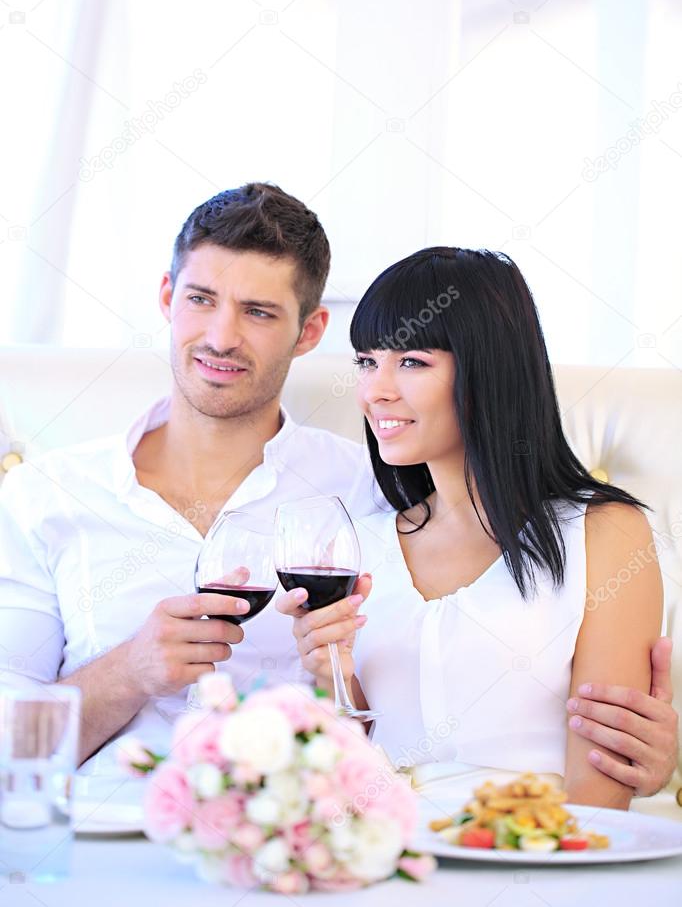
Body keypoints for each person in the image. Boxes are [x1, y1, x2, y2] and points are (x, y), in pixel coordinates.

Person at [0, 201, 676, 800]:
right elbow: (5, 747)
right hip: (104, 833)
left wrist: (653, 761)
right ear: (167, 296)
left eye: (259, 311)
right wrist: (130, 669)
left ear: (310, 329)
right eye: (202, 299)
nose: (221, 336)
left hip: (336, 848)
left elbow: (598, 768)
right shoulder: (44, 495)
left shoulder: (359, 494)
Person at [278, 246, 678, 807]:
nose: (375, 390)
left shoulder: (602, 533)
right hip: (390, 861)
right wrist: (332, 676)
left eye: (411, 361)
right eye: (367, 361)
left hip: (542, 860)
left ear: (489, 368)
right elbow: (344, 776)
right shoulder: (358, 547)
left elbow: (602, 788)